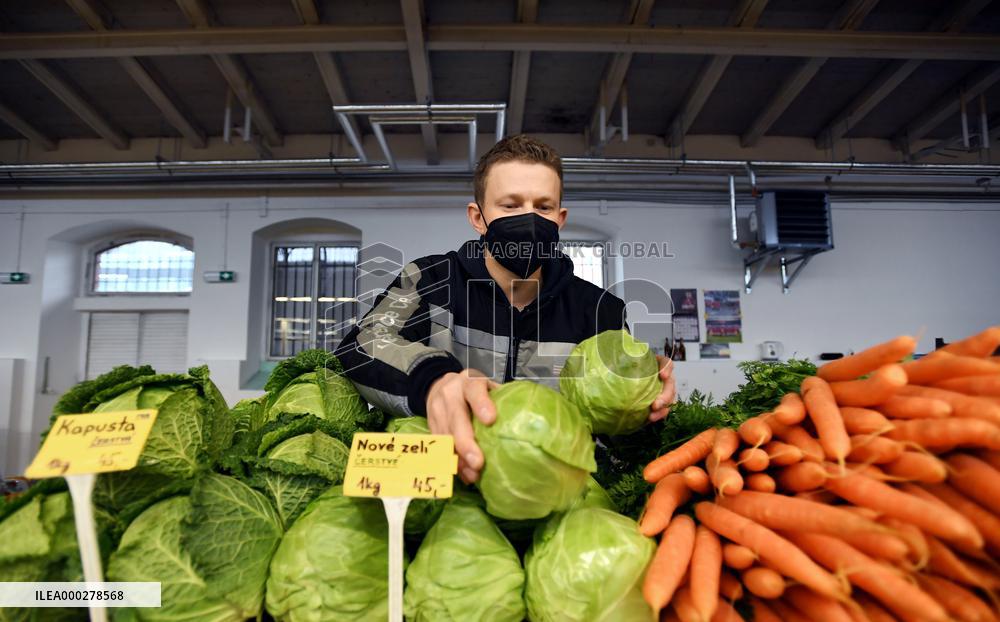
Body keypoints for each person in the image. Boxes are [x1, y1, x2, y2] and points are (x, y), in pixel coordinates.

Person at [336, 135, 677, 484]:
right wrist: (434, 381)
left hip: (549, 494)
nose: (529, 219)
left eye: (543, 207)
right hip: (447, 486)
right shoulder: (429, 279)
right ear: (478, 217)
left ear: (559, 219)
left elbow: (616, 436)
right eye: (510, 205)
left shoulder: (601, 310)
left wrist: (644, 401)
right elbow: (363, 344)